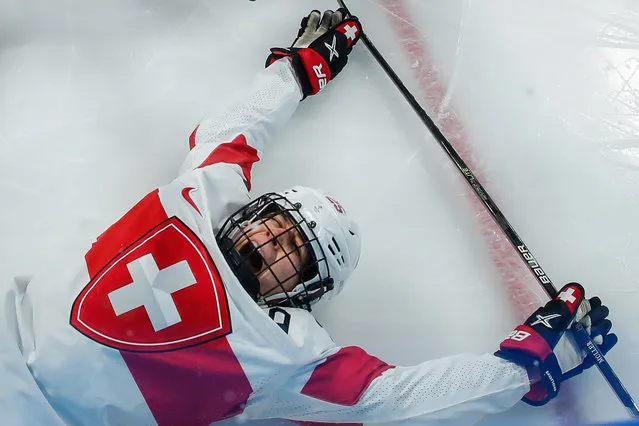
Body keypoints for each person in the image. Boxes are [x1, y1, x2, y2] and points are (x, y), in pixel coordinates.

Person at [0, 8, 618, 426]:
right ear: (257, 206)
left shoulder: (287, 353)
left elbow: (393, 400)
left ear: (303, 293)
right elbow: (239, 126)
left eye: (294, 252)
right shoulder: (202, 195)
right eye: (278, 223)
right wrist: (302, 66)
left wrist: (516, 368)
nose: (271, 242)